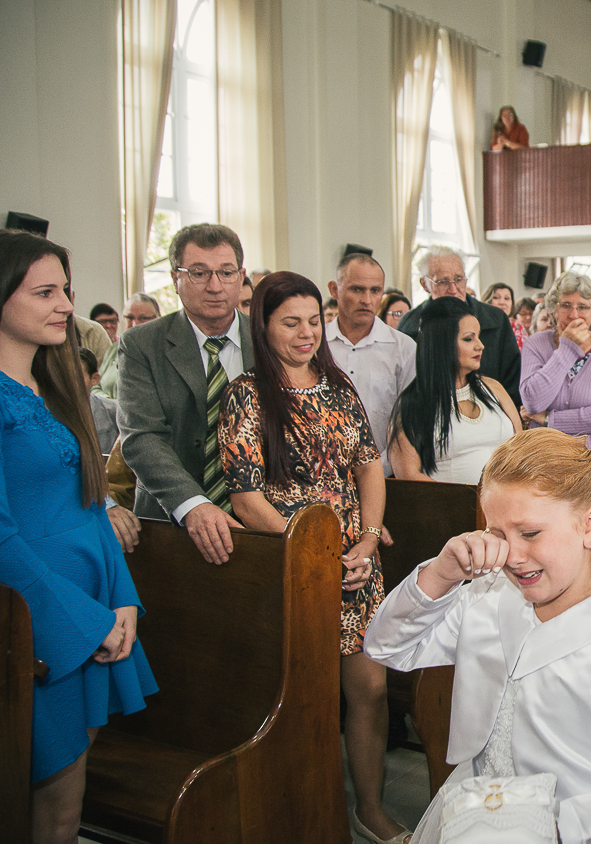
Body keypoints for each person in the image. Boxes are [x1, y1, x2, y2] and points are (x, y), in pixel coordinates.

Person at [365, 428, 591, 843]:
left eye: (530, 533)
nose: (514, 556)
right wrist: (441, 574)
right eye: (498, 535)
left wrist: (553, 823)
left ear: (590, 526)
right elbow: (386, 646)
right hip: (475, 816)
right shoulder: (487, 600)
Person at [0, 229, 158, 844]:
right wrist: (84, 618)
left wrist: (123, 598)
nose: (64, 306)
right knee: (47, 797)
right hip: (38, 616)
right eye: (45, 292)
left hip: (93, 602)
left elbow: (90, 506)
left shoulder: (50, 386)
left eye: (66, 291)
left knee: (67, 799)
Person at [217, 272, 406, 844]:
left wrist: (369, 538)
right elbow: (245, 496)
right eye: (290, 322)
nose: (306, 334)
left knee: (369, 689)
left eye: (312, 321)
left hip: (353, 562)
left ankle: (367, 808)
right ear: (264, 326)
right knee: (302, 700)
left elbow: (369, 464)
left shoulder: (337, 385)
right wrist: (308, 554)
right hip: (291, 565)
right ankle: (303, 811)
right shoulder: (247, 394)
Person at [117, 223, 252, 566]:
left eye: (226, 272)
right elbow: (142, 436)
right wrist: (193, 504)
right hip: (170, 521)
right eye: (198, 273)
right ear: (175, 278)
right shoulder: (142, 344)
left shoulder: (268, 338)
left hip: (261, 525)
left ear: (241, 276)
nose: (215, 286)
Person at [389, 297, 522, 484]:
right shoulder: (414, 404)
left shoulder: (493, 388)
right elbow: (409, 477)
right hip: (449, 508)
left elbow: (521, 447)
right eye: (469, 338)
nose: (480, 345)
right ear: (442, 344)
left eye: (478, 336)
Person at [327, 254, 417, 477]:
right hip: (322, 476)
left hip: (387, 475)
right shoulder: (315, 343)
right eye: (356, 289)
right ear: (334, 290)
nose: (367, 299)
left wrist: (378, 470)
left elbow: (408, 421)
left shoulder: (403, 348)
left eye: (375, 291)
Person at [398, 247, 522, 406]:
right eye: (442, 282)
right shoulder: (410, 324)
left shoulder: (495, 319)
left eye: (458, 279)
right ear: (424, 284)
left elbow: (512, 378)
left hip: (490, 412)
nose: (453, 289)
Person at [519, 272, 591, 452]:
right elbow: (533, 402)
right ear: (554, 309)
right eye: (566, 305)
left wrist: (548, 420)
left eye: (583, 307)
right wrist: (567, 348)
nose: (574, 314)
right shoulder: (535, 344)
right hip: (545, 457)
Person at [96, 293, 162, 400]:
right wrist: (109, 403)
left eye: (143, 318)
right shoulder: (114, 349)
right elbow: (96, 386)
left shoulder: (165, 352)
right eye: (129, 318)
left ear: (158, 319)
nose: (135, 324)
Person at [78, 348, 119, 455]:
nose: (67, 383)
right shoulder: (45, 412)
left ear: (94, 379)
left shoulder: (113, 412)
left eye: (76, 377)